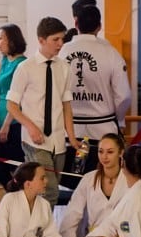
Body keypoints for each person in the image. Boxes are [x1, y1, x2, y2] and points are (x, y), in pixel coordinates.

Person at [6, 17, 86, 209]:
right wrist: (31, 127)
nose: (60, 44)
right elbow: (11, 105)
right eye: (55, 40)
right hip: (35, 140)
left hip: (58, 140)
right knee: (48, 190)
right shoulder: (25, 68)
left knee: (50, 189)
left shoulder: (64, 67)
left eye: (62, 39)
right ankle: (43, 235)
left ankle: (40, 229)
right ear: (41, 40)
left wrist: (72, 137)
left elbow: (66, 105)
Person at [58, 5, 131, 184]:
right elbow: (124, 95)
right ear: (99, 26)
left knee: (74, 181)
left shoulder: (62, 52)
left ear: (75, 23)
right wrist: (119, 119)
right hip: (103, 131)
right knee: (103, 181)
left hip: (71, 132)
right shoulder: (110, 53)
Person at [57, 133, 129, 237]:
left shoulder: (129, 180)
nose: (104, 156)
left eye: (110, 152)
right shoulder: (89, 179)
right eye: (100, 151)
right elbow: (72, 214)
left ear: (121, 153)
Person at [0, 23, 28, 188]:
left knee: (15, 165)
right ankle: (13, 195)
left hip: (14, 120)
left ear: (11, 40)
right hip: (1, 115)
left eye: (0, 38)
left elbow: (17, 97)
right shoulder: (4, 60)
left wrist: (6, 125)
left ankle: (20, 197)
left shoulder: (22, 64)